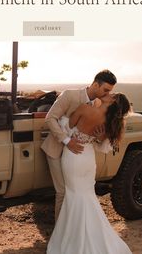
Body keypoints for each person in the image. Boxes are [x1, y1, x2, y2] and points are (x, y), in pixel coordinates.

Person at [47, 92, 132, 254]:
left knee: (73, 194)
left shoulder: (85, 108)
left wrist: (69, 122)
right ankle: (94, 236)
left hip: (73, 156)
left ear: (113, 100)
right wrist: (98, 137)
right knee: (87, 195)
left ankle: (73, 238)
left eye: (111, 93)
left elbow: (67, 126)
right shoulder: (111, 122)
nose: (108, 94)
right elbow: (103, 147)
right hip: (88, 158)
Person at [41, 69, 117, 221]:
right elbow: (50, 118)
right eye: (105, 90)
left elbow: (89, 133)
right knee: (62, 192)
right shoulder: (69, 95)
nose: (107, 94)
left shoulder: (97, 104)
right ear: (96, 84)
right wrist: (67, 141)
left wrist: (97, 136)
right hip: (56, 149)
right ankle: (61, 234)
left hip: (77, 156)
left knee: (74, 191)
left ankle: (73, 229)